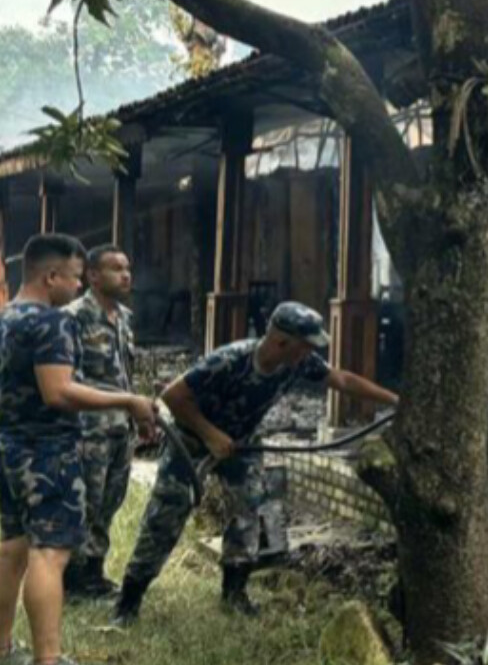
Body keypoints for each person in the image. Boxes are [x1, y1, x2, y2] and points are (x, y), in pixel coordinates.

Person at [114, 302, 398, 624]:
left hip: (242, 444)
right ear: (281, 342)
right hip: (192, 441)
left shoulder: (298, 363)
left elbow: (343, 380)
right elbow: (172, 396)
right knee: (166, 515)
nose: (311, 353)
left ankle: (234, 593)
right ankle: (129, 601)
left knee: (248, 512)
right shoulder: (230, 360)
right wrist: (210, 435)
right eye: (306, 345)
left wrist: (395, 401)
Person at [0, 234, 156, 665]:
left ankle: (3, 647)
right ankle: (48, 659)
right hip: (46, 452)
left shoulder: (6, 317)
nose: (79, 285)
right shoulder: (53, 322)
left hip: (9, 447)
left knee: (11, 548)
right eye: (73, 277)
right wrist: (128, 401)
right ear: (51, 277)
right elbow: (58, 391)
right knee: (49, 554)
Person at [65, 247, 140, 601]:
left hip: (121, 429)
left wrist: (137, 414)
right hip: (88, 431)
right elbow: (68, 381)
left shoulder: (124, 318)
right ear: (93, 275)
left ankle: (93, 573)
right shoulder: (74, 317)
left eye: (127, 268)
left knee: (110, 502)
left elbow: (125, 374)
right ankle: (72, 578)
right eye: (115, 268)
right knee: (85, 503)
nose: (125, 275)